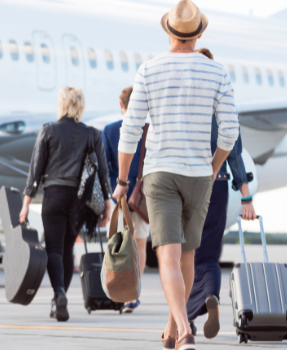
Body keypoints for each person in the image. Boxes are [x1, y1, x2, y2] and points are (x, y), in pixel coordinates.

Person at [114, 1, 239, 348]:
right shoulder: (217, 72)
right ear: (199, 33)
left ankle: (183, 328)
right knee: (187, 256)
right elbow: (230, 131)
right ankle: (174, 329)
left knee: (167, 255)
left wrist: (123, 181)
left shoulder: (149, 70)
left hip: (161, 173)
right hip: (199, 175)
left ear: (168, 31)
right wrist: (213, 169)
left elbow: (130, 131)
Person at [20, 87, 113, 322]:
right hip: (78, 200)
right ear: (80, 106)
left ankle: (58, 293)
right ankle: (60, 296)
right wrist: (107, 204)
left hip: (53, 195)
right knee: (68, 248)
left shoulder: (48, 131)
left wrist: (25, 204)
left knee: (53, 248)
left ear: (61, 104)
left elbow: (35, 170)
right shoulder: (92, 134)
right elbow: (103, 171)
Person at [185, 47, 256, 340]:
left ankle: (185, 318)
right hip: (217, 183)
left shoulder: (184, 102)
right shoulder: (223, 102)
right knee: (209, 256)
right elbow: (235, 150)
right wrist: (246, 195)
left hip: (186, 183)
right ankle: (210, 295)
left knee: (183, 256)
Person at [101, 86, 149, 314]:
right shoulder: (149, 131)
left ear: (121, 105)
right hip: (141, 199)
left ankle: (118, 290)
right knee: (139, 245)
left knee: (117, 246)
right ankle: (134, 292)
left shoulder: (110, 131)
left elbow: (104, 168)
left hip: (118, 196)